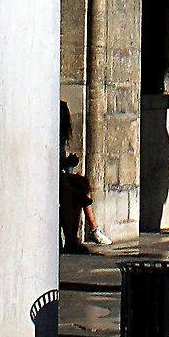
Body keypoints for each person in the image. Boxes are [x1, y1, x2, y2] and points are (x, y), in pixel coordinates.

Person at [59, 101, 111, 248]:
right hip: (54, 178)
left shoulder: (62, 137)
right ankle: (90, 229)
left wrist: (68, 161)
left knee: (81, 185)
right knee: (74, 193)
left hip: (62, 176)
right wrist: (66, 162)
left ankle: (80, 234)